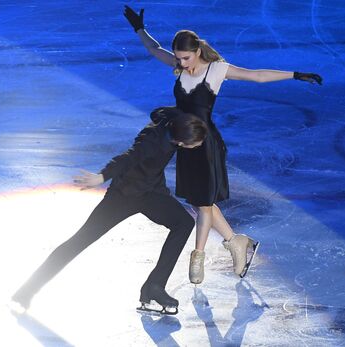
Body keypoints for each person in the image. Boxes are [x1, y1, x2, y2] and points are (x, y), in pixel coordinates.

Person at [123, 6, 323, 284]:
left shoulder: (216, 70)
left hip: (206, 145)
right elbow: (154, 49)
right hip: (186, 143)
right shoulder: (180, 67)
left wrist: (295, 74)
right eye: (178, 59)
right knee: (198, 201)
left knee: (203, 205)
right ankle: (237, 243)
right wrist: (139, 28)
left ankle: (198, 256)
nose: (181, 63)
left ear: (198, 52)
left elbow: (257, 76)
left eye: (185, 58)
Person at [11, 106, 208, 315]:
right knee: (80, 240)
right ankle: (27, 290)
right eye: (195, 143)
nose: (199, 145)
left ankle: (154, 287)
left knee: (183, 223)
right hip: (123, 196)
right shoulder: (152, 142)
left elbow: (159, 111)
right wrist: (101, 177)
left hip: (152, 193)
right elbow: (127, 158)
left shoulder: (174, 119)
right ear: (180, 142)